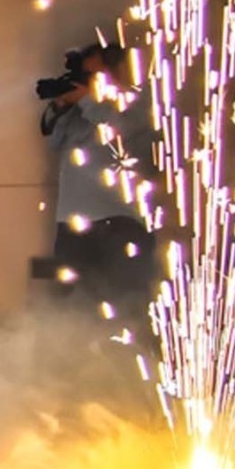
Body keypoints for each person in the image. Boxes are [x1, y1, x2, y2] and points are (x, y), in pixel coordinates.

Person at [41, 42, 157, 319]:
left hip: (120, 223)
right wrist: (61, 105)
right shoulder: (81, 112)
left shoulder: (138, 102)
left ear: (117, 72)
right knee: (70, 309)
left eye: (96, 75)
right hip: (72, 224)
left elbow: (117, 129)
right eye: (87, 76)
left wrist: (85, 99)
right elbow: (55, 140)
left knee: (126, 308)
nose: (90, 83)